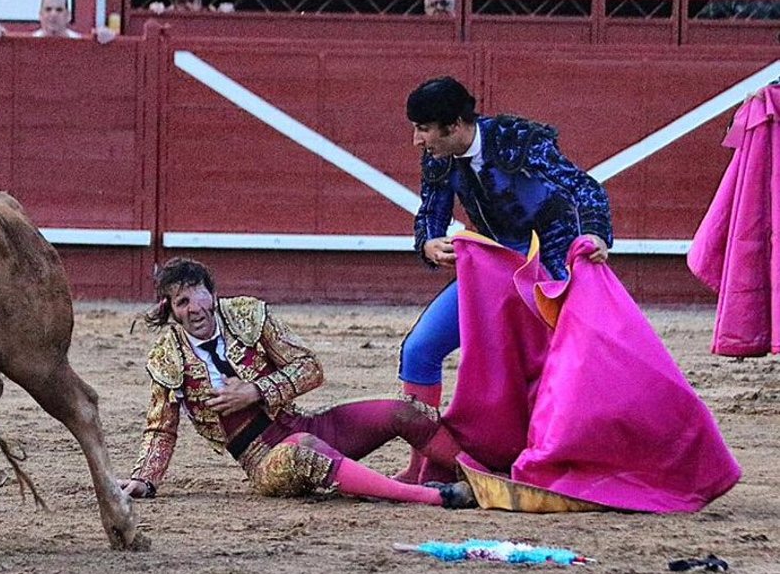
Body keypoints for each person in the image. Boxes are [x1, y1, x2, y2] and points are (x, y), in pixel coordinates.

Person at [118, 257, 474, 508]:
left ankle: (486, 477)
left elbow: (310, 368)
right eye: (182, 302)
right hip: (264, 458)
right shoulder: (168, 356)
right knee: (302, 449)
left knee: (405, 411)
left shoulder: (248, 314)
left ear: (213, 295)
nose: (195, 309)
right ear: (171, 310)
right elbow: (161, 429)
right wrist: (145, 479)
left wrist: (255, 390)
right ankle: (432, 496)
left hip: (306, 424)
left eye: (199, 297)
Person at [395, 76, 613, 484]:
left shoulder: (521, 140)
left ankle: (561, 459)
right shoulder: (439, 157)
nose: (417, 140)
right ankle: (421, 465)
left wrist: (596, 233)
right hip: (493, 270)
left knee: (562, 367)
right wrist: (428, 244)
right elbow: (431, 213)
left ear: (455, 125)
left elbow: (583, 190)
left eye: (423, 129)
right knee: (420, 349)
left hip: (550, 266)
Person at [0, 0, 115, 44]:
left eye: (59, 9)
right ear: (40, 15)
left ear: (68, 16)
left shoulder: (80, 42)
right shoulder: (28, 43)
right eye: (48, 9)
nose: (53, 14)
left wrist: (109, 38)